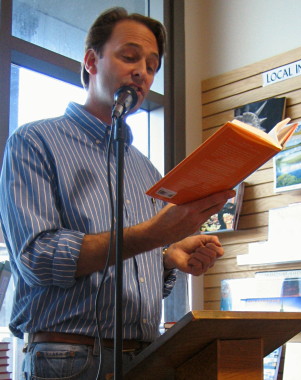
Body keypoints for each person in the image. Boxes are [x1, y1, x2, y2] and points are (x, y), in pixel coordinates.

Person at [0, 7, 234, 379]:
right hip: (67, 358)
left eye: (153, 65)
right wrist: (155, 235)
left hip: (146, 356)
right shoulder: (34, 141)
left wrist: (167, 258)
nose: (142, 71)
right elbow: (36, 258)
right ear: (92, 61)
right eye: (129, 56)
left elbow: (139, 280)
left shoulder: (147, 169)